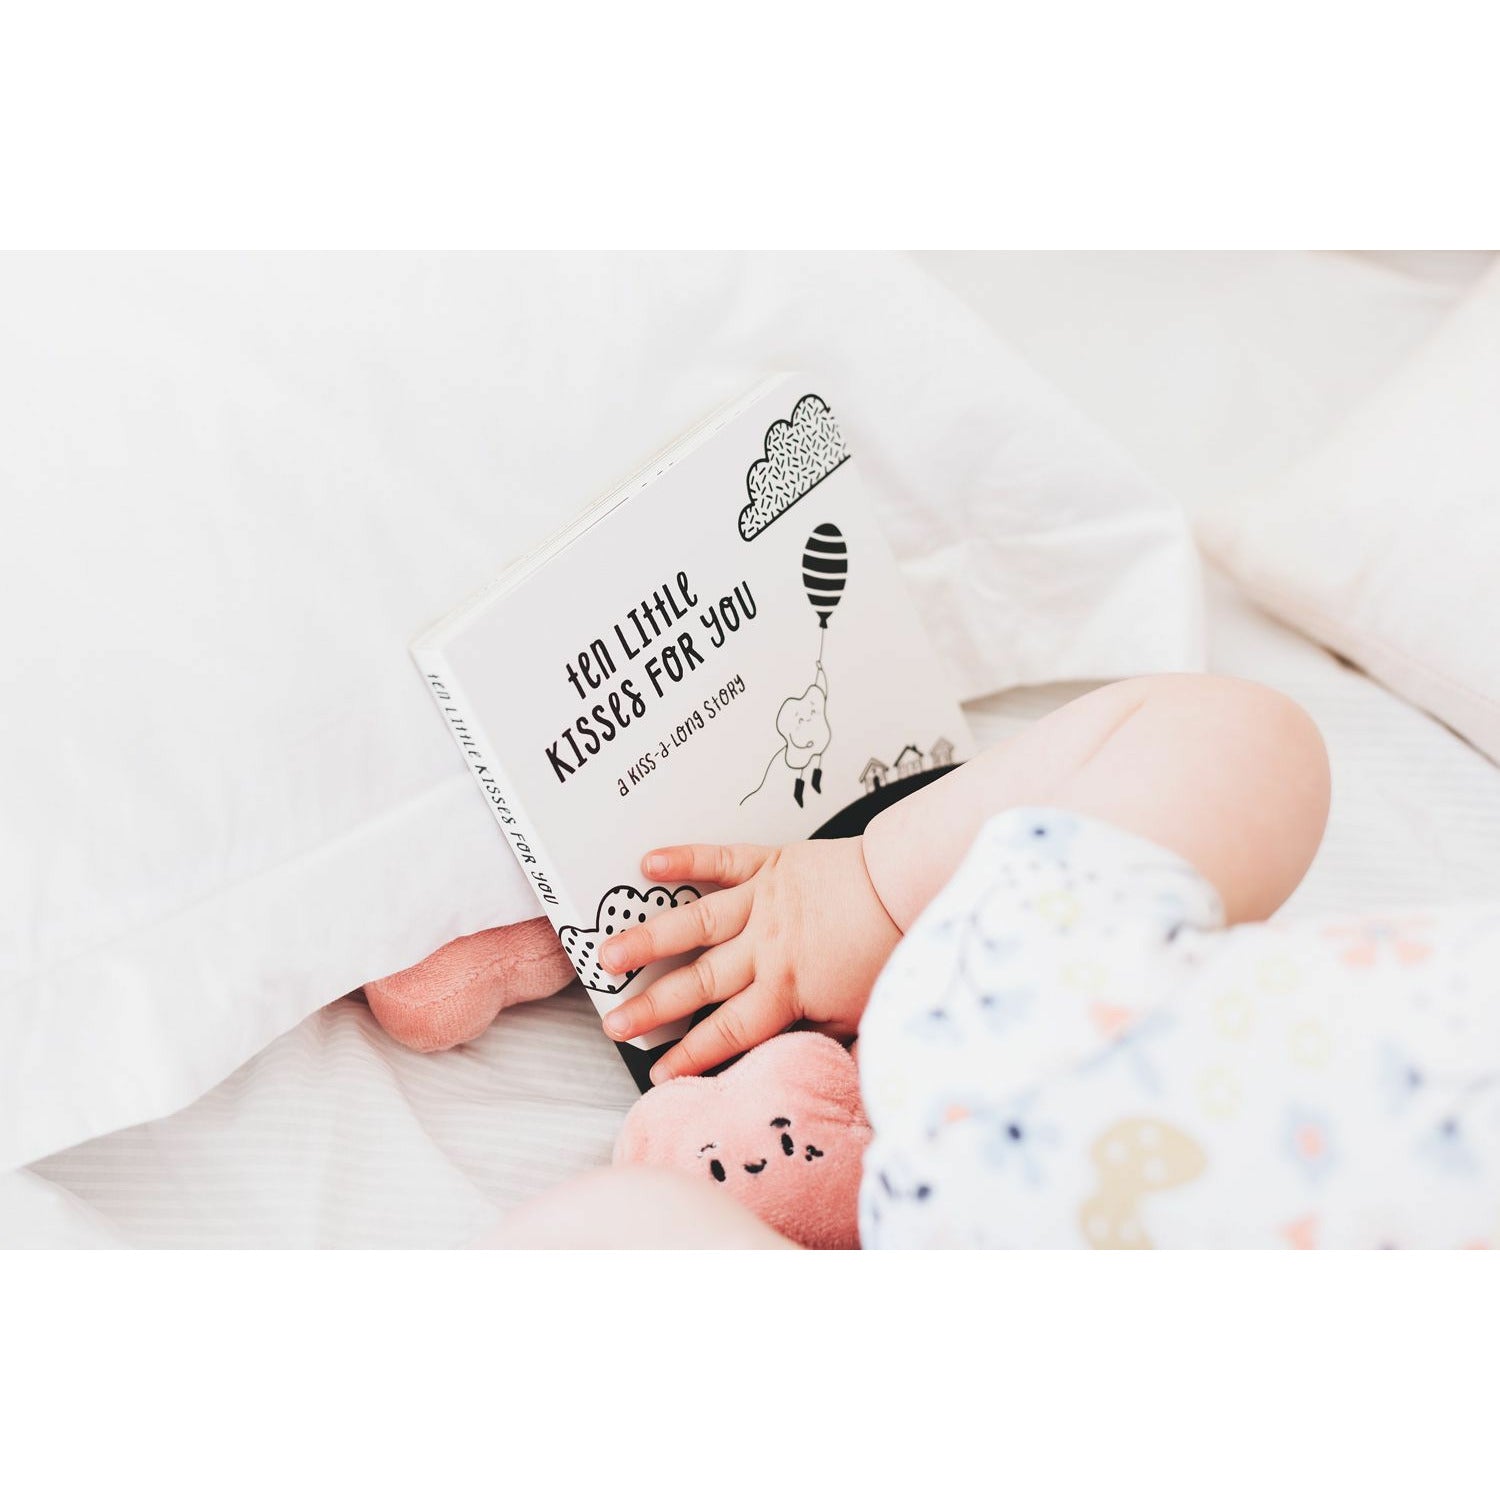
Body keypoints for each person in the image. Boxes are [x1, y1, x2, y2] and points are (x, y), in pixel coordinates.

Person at [490, 672, 1497, 1248]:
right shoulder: (1018, 1003)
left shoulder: (998, 1011)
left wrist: (879, 889)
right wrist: (873, 889)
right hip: (1047, 1032)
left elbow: (1235, 733)